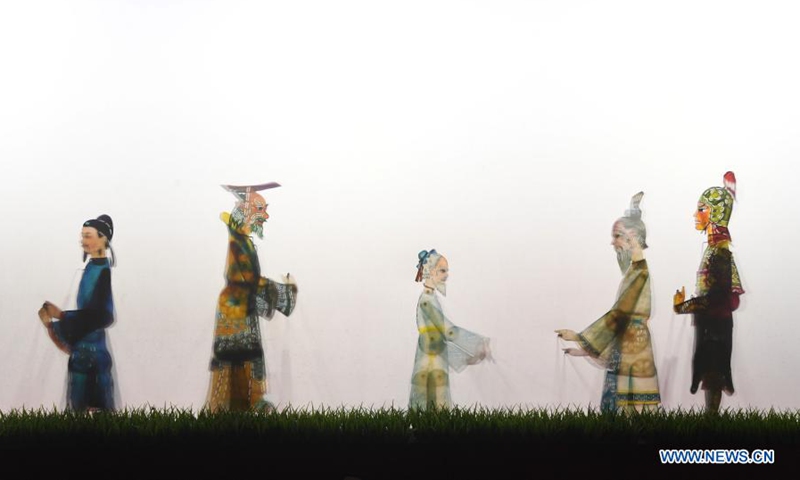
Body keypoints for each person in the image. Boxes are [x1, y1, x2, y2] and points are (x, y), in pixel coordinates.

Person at [556, 193, 660, 412]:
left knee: (627, 410)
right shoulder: (635, 271)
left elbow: (619, 315)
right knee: (622, 407)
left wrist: (580, 338)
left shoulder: (639, 273)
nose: (613, 242)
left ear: (633, 237)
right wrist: (584, 349)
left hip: (633, 349)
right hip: (629, 345)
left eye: (618, 236)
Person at [206, 183, 298, 412]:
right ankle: (245, 406)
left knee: (244, 359)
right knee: (239, 360)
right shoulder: (239, 242)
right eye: (259, 209)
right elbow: (249, 279)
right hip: (235, 311)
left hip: (240, 308)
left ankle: (248, 405)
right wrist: (284, 294)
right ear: (245, 212)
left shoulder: (242, 241)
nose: (265, 216)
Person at [673, 172, 744, 413]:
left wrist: (683, 306)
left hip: (716, 327)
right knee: (709, 372)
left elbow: (716, 299)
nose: (696, 215)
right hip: (712, 325)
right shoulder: (714, 250)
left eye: (701, 209)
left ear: (715, 213)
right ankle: (710, 419)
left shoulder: (720, 254)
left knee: (713, 373)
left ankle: (711, 421)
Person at [37, 214, 117, 411]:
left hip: (93, 358)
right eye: (82, 236)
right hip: (85, 355)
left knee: (91, 412)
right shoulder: (92, 267)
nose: (83, 241)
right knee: (80, 413)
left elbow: (104, 316)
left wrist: (60, 317)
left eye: (88, 236)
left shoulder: (103, 271)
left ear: (103, 239)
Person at [408, 249, 491, 410]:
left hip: (432, 353)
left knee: (434, 394)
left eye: (446, 271)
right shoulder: (427, 300)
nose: (446, 275)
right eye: (442, 271)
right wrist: (477, 344)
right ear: (432, 271)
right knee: (431, 395)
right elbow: (446, 329)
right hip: (430, 356)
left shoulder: (430, 297)